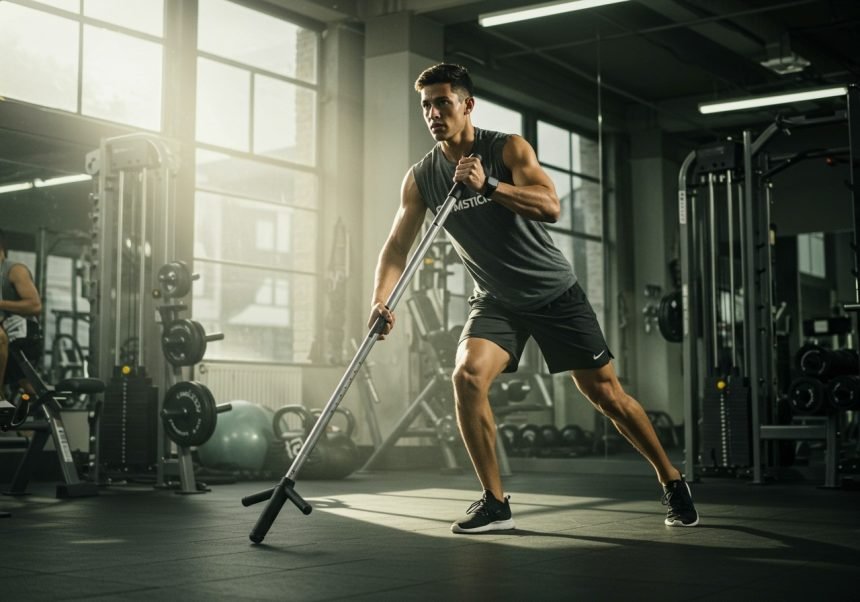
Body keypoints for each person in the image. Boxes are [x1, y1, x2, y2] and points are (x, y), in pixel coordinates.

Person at [367, 63, 699, 534]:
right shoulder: (423, 177)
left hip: (553, 292)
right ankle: (494, 501)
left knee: (605, 394)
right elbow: (397, 247)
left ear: (467, 104)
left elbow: (550, 205)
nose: (433, 112)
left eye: (443, 101)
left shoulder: (506, 148)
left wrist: (490, 185)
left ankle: (671, 478)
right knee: (465, 376)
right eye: (426, 105)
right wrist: (381, 300)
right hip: (496, 301)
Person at [0, 229, 42, 425]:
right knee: (23, 386)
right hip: (8, 336)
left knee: (25, 386)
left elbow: (35, 306)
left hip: (24, 336)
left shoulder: (14, 270)